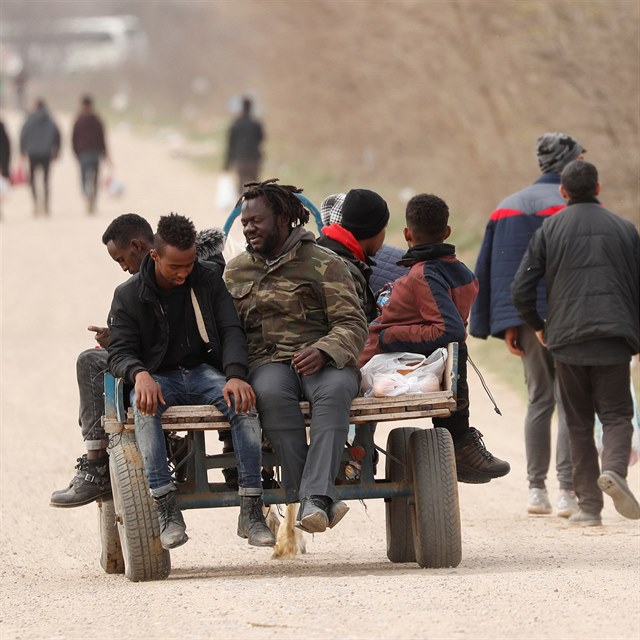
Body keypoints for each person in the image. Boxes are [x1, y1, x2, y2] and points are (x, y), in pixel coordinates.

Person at [106, 213, 274, 550]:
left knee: (243, 403)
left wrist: (236, 375)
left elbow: (230, 329)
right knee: (144, 408)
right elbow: (119, 351)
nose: (183, 273)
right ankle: (166, 509)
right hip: (158, 377)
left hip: (202, 371)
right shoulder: (128, 295)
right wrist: (140, 375)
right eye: (175, 267)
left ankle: (251, 510)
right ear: (154, 256)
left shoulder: (208, 278)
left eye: (189, 264)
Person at [51, 216, 229, 508]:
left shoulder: (189, 273)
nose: (123, 267)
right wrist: (120, 338)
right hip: (157, 363)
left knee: (90, 363)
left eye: (122, 259)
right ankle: (162, 445)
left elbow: (177, 331)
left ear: (139, 246)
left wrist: (131, 350)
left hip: (187, 365)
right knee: (100, 357)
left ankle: (97, 465)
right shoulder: (140, 283)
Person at [224, 179, 369, 533]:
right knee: (270, 394)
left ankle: (314, 498)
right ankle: (313, 499)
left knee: (334, 393)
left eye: (256, 220)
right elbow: (229, 331)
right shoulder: (236, 270)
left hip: (326, 361)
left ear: (285, 218)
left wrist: (324, 349)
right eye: (244, 222)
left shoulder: (324, 263)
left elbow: (352, 323)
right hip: (268, 363)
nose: (248, 228)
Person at [512, 160, 640, 526]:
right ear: (598, 189)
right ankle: (614, 470)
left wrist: (539, 326)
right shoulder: (625, 230)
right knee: (616, 415)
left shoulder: (549, 230)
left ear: (563, 192)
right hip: (615, 338)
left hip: (566, 340)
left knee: (578, 421)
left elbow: (521, 289)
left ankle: (589, 509)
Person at [470, 132, 585, 517]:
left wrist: (508, 324)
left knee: (539, 399)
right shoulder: (576, 205)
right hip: (571, 318)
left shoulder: (507, 207)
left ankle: (537, 490)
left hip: (525, 319)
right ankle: (567, 489)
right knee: (571, 403)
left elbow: (496, 269)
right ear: (569, 162)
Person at [359, 193, 511, 484]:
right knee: (458, 350)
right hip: (390, 359)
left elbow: (449, 331)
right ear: (448, 232)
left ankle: (459, 439)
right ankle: (459, 438)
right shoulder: (463, 273)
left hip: (383, 353)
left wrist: (391, 336)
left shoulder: (423, 275)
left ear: (407, 234)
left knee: (457, 348)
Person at [317, 189, 389, 321]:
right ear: (374, 231)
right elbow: (352, 330)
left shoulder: (322, 248)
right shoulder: (345, 271)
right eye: (384, 227)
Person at [19, 99, 61, 215]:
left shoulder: (29, 119)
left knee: (32, 180)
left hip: (32, 154)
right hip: (46, 154)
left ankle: (35, 203)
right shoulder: (50, 120)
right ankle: (46, 205)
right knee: (46, 180)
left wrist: (22, 150)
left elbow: (23, 135)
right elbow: (57, 136)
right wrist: (57, 150)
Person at [72, 95, 109, 214]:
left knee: (84, 178)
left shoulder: (78, 119)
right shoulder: (97, 119)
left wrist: (76, 153)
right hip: (95, 154)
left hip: (83, 154)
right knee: (95, 178)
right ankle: (93, 200)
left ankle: (87, 196)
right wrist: (105, 154)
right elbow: (102, 138)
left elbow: (73, 138)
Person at [223, 97, 265, 194]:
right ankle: (256, 205)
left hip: (241, 159)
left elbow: (230, 145)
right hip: (254, 159)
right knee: (255, 185)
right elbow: (261, 139)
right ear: (251, 108)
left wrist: (227, 163)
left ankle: (242, 204)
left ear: (242, 107)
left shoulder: (236, 124)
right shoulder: (256, 124)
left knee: (242, 183)